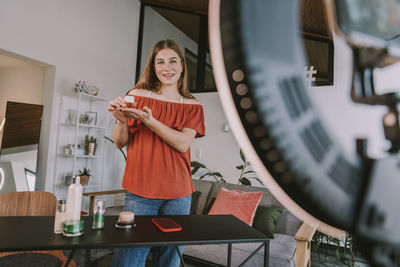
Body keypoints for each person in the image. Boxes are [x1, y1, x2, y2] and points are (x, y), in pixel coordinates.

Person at [107, 39, 205, 267]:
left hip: (179, 195)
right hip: (141, 191)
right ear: (153, 67)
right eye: (159, 62)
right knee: (128, 260)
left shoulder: (193, 105)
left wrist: (151, 122)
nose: (166, 68)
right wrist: (121, 121)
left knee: (169, 261)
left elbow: (182, 144)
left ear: (182, 65)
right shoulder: (136, 95)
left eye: (172, 61)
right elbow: (120, 142)